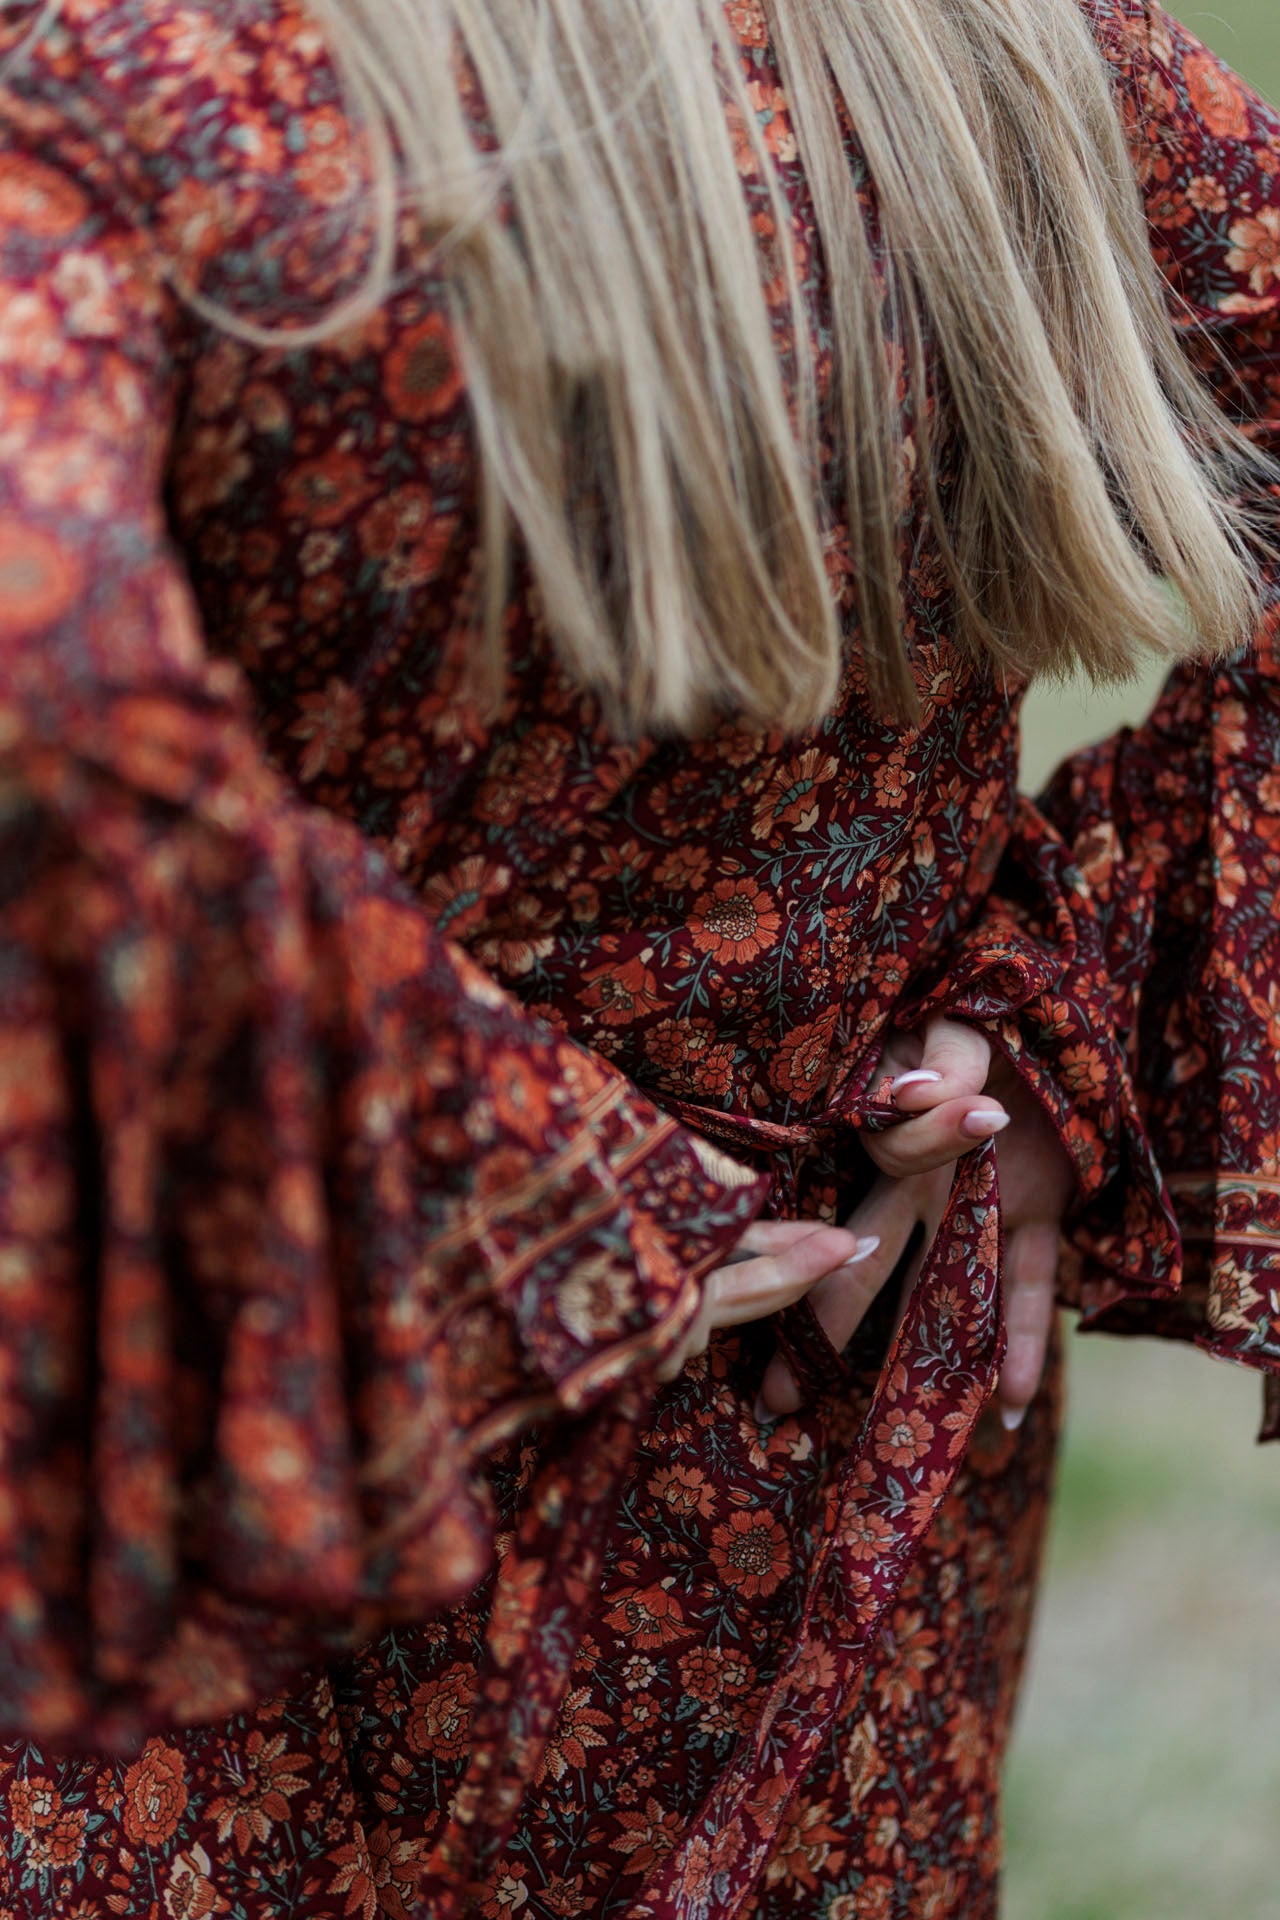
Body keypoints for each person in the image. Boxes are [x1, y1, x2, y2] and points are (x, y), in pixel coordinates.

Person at [0, 0, 1276, 1913]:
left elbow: (48, 708)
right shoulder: (1003, 66)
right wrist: (1051, 981)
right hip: (813, 1426)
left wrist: (514, 1169)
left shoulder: (145, 97)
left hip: (233, 1427)